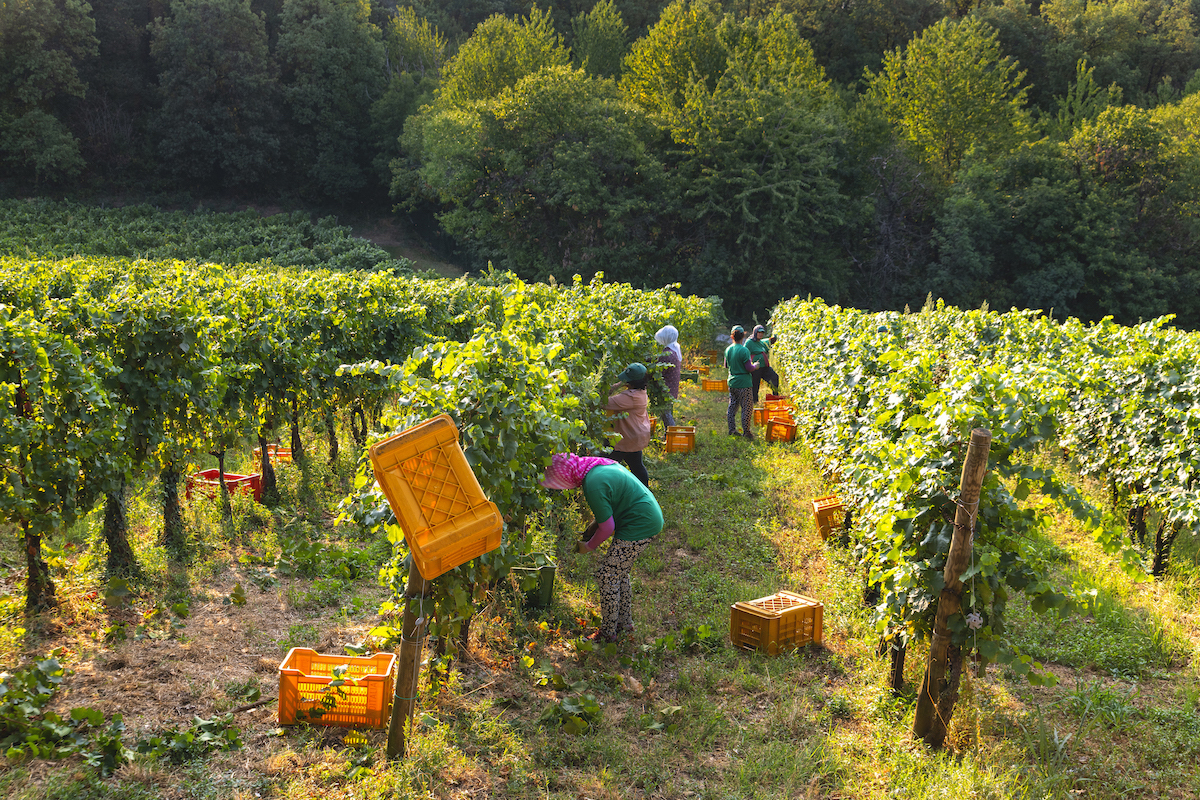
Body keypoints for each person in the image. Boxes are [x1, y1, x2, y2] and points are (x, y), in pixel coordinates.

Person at [541, 452, 664, 643]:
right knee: (619, 572)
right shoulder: (597, 466)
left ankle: (608, 634)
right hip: (647, 515)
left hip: (640, 524)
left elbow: (608, 527)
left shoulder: (592, 485)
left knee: (607, 575)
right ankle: (624, 623)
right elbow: (611, 504)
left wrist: (588, 546)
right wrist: (593, 526)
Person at [605, 362, 651, 486]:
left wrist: (613, 387)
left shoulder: (629, 398)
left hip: (627, 436)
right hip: (635, 434)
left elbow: (601, 402)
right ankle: (645, 490)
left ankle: (606, 486)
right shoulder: (640, 391)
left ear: (631, 383)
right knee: (636, 465)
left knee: (604, 463)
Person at [723, 326, 760, 440]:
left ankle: (732, 429)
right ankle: (746, 432)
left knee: (732, 406)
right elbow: (749, 368)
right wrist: (756, 366)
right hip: (744, 383)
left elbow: (726, 365)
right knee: (747, 407)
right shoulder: (744, 350)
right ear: (743, 336)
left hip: (732, 382)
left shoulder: (728, 349)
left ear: (732, 336)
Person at [654, 325, 682, 427]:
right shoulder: (674, 350)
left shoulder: (667, 353)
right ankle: (668, 433)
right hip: (672, 388)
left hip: (666, 389)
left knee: (666, 414)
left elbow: (659, 371)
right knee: (667, 412)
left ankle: (672, 433)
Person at [746, 324, 780, 403]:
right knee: (755, 385)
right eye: (759, 332)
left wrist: (775, 328)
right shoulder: (749, 342)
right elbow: (744, 353)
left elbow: (771, 340)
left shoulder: (762, 342)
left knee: (774, 377)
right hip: (755, 368)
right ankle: (754, 402)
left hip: (765, 368)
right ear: (755, 332)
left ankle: (775, 397)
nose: (761, 334)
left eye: (762, 332)